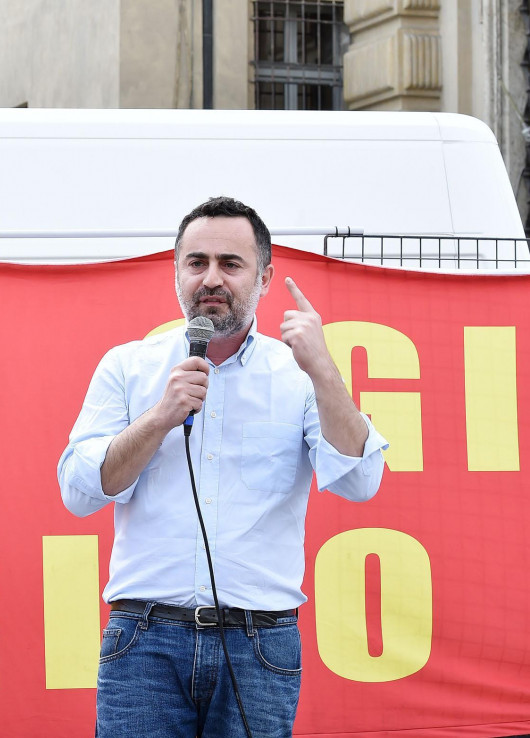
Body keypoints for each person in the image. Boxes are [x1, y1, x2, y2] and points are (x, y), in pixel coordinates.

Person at [56, 196, 387, 737]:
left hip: (259, 646)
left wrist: (325, 370)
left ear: (265, 276)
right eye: (196, 262)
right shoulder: (130, 366)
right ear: (177, 271)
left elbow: (360, 480)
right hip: (145, 641)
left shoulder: (299, 376)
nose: (211, 278)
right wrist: (159, 418)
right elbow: (77, 490)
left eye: (230, 264)